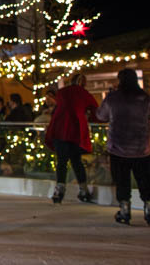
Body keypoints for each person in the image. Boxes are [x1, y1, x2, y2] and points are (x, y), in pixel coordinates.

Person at [96, 67, 150, 225]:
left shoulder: (113, 98)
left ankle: (125, 210)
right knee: (145, 178)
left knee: (122, 180)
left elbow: (101, 115)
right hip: (141, 147)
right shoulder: (144, 97)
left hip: (118, 146)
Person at [44, 73, 98, 204]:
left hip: (59, 129)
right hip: (74, 131)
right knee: (76, 161)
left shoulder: (62, 92)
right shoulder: (84, 94)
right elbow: (96, 111)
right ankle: (83, 190)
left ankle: (59, 190)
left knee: (61, 161)